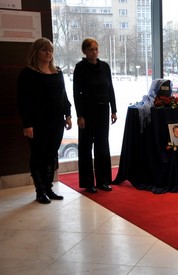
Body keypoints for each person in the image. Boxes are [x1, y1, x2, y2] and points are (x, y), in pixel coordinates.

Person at [17, 37, 72, 204]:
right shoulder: (28, 73)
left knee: (50, 155)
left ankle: (48, 187)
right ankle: (39, 190)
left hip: (56, 121)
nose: (48, 53)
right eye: (44, 50)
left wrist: (68, 115)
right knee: (38, 155)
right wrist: (27, 124)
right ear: (36, 52)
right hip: (37, 122)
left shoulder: (57, 72)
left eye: (50, 50)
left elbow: (63, 96)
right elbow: (23, 101)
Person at [73, 37, 117, 193]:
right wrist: (80, 115)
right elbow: (77, 93)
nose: (94, 52)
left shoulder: (105, 67)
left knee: (102, 146)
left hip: (103, 111)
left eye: (96, 49)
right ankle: (88, 183)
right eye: (91, 49)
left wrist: (114, 110)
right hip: (87, 113)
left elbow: (110, 88)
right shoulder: (80, 68)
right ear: (84, 51)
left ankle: (103, 181)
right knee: (86, 148)